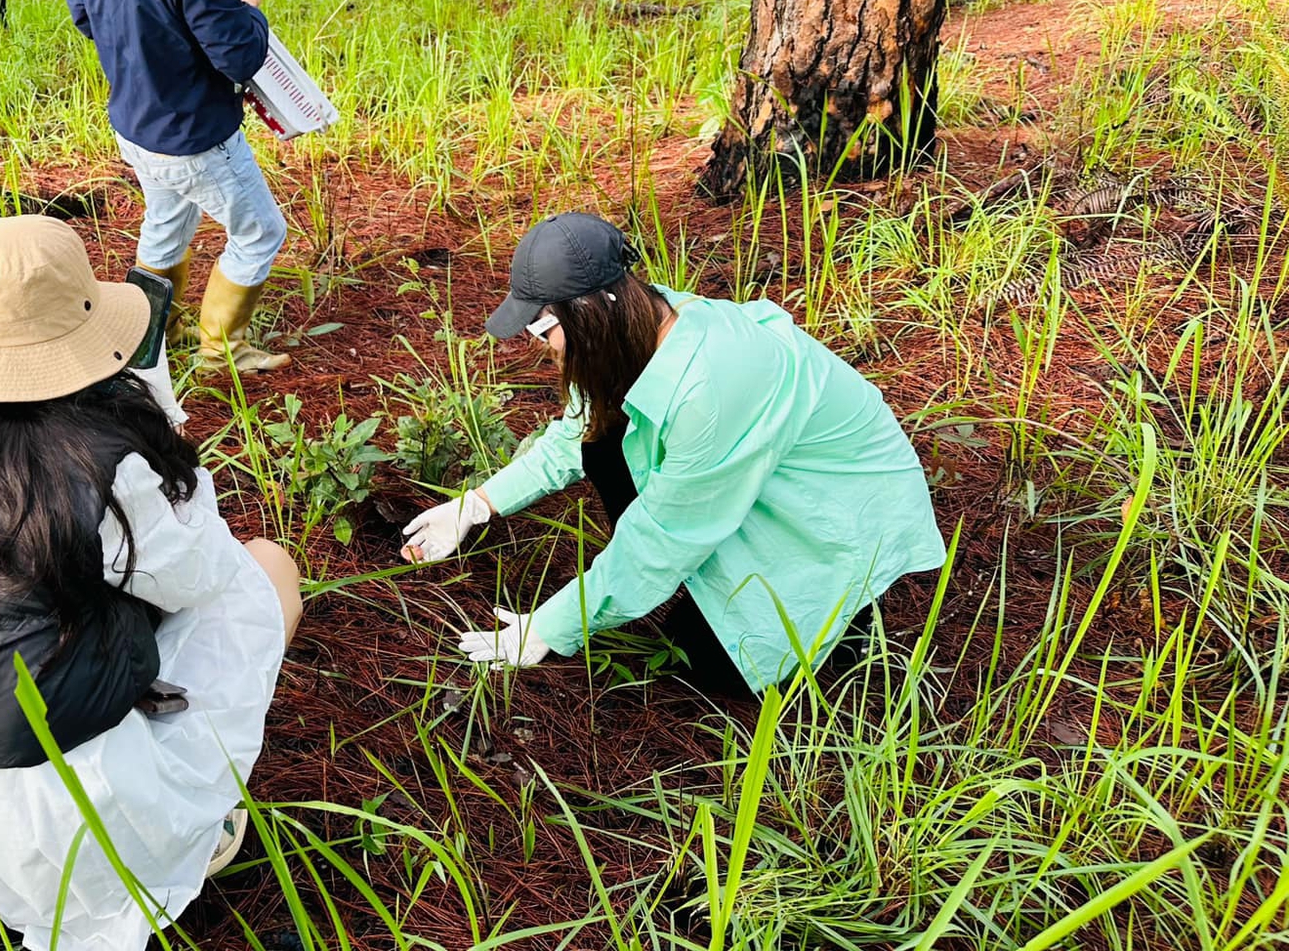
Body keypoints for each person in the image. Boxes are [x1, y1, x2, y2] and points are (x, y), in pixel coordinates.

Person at [0, 215, 302, 951]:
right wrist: (157, 431)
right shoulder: (105, 464)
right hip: (89, 803)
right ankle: (185, 830)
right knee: (268, 570)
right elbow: (203, 575)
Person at [402, 213, 946, 694]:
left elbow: (661, 536)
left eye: (542, 326)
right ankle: (687, 587)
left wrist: (549, 627)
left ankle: (847, 618)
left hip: (834, 513)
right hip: (748, 479)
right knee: (605, 445)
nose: (539, 342)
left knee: (715, 672)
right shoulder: (638, 324)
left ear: (594, 310)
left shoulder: (711, 382)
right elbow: (576, 436)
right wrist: (475, 505)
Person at [58, 0, 292, 373]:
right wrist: (248, 7)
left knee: (166, 224)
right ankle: (222, 351)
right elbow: (239, 56)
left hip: (134, 124)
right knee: (261, 232)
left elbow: (86, 17)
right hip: (193, 133)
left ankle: (147, 335)